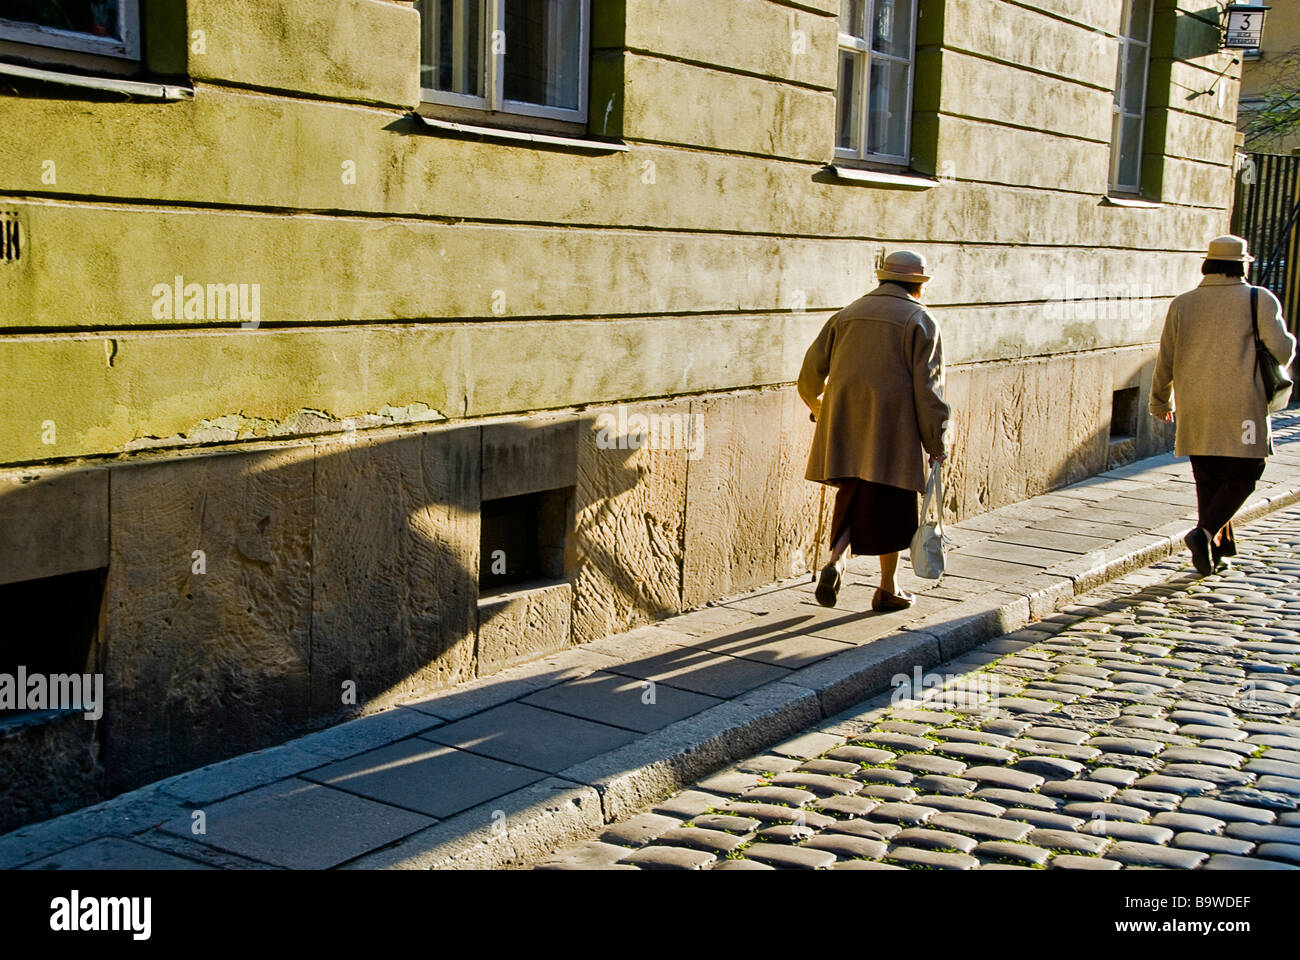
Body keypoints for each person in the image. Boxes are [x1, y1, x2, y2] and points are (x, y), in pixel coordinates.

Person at [798, 250, 950, 610]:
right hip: (893, 433)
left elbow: (809, 374)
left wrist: (821, 409)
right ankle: (887, 588)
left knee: (852, 498)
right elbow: (929, 390)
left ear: (881, 280)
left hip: (845, 429)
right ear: (918, 287)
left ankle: (835, 562)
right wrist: (936, 441)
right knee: (893, 507)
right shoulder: (921, 319)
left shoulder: (846, 314)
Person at [1150, 234, 1296, 576]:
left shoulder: (1183, 303)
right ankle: (1202, 534)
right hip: (1241, 404)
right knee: (1247, 470)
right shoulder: (1258, 299)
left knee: (1210, 477)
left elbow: (1166, 356)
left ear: (1208, 264)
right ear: (1242, 265)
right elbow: (1282, 350)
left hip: (1195, 403)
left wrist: (1160, 399)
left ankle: (1218, 549)